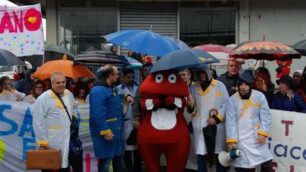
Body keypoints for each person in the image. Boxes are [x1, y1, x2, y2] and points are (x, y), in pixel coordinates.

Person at [226, 70, 273, 172]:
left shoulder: (259, 96)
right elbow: (230, 121)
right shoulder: (232, 99)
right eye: (241, 84)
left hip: (256, 138)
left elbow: (266, 116)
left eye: (246, 84)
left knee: (267, 163)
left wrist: (263, 133)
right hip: (240, 139)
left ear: (250, 85)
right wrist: (231, 139)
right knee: (243, 167)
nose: (243, 87)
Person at [89, 65, 133, 172]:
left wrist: (126, 95)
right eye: (117, 74)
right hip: (107, 133)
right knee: (106, 162)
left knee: (117, 160)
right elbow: (97, 114)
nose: (119, 76)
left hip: (115, 132)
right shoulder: (98, 91)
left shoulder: (111, 87)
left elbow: (119, 93)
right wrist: (106, 131)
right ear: (110, 75)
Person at [187, 66, 229, 172]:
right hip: (200, 127)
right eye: (199, 73)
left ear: (208, 73)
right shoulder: (193, 88)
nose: (201, 75)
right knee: (201, 154)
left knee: (219, 154)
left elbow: (226, 104)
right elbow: (191, 109)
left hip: (216, 126)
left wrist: (217, 118)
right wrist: (191, 106)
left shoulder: (220, 86)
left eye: (203, 73)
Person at [33, 72, 78, 172]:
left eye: (63, 82)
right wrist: (43, 142)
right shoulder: (43, 98)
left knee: (65, 166)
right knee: (50, 168)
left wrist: (73, 117)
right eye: (58, 83)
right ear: (52, 83)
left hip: (67, 138)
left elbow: (74, 107)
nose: (61, 84)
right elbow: (38, 122)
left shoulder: (69, 94)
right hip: (52, 142)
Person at [117, 69, 142, 172]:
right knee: (127, 149)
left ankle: (138, 168)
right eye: (128, 77)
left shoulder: (139, 87)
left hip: (138, 120)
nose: (131, 79)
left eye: (132, 77)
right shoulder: (118, 89)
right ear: (123, 77)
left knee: (139, 148)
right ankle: (129, 169)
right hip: (126, 122)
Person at [179, 68, 197, 171]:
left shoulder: (195, 88)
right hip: (181, 123)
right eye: (180, 75)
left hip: (193, 122)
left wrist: (192, 105)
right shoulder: (175, 89)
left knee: (192, 151)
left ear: (189, 75)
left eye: (184, 74)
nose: (182, 77)